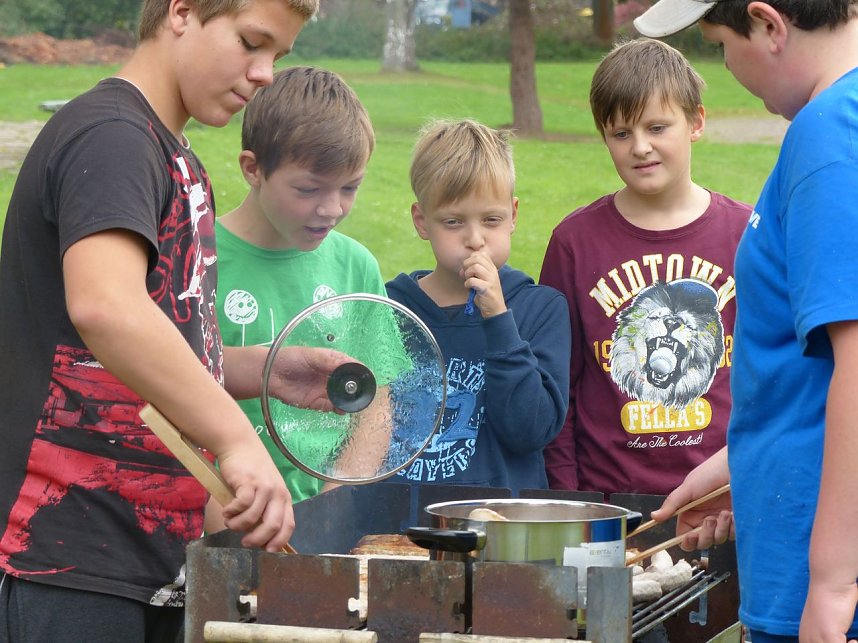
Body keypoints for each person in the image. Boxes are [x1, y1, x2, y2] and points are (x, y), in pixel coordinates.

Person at [0, 1, 355, 641]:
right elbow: (106, 307)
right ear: (182, 11)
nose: (266, 73)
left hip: (150, 555)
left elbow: (139, 348)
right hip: (69, 553)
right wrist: (237, 440)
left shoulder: (174, 154)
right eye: (252, 42)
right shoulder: (112, 136)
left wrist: (262, 368)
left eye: (279, 54)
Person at [633, 1, 858, 641]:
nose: (726, 65)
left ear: (768, 25)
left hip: (821, 584)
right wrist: (740, 464)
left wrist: (832, 585)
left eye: (718, 43)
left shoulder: (829, 137)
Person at [538, 38, 750, 498]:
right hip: (609, 501)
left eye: (657, 127)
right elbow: (559, 389)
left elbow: (776, 380)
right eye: (621, 133)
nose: (640, 148)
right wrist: (569, 500)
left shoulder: (746, 234)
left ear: (696, 121)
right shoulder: (573, 244)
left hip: (723, 497)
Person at [211, 65, 383, 508]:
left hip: (323, 520)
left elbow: (380, 397)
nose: (331, 208)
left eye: (350, 187)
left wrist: (337, 500)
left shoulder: (355, 265)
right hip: (222, 516)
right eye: (308, 189)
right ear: (253, 168)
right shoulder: (198, 259)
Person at [385, 118, 571, 492]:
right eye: (453, 222)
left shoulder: (540, 309)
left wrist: (499, 320)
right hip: (399, 528)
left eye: (491, 220)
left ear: (513, 216)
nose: (474, 239)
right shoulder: (392, 309)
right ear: (422, 221)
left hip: (504, 528)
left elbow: (531, 431)